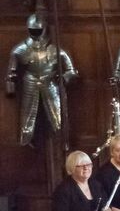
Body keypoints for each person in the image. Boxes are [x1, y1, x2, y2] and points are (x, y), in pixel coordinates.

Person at [6, 13, 77, 146]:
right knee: (27, 117)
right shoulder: (20, 50)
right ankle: (26, 141)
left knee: (58, 118)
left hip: (50, 83)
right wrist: (10, 88)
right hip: (30, 82)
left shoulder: (55, 51)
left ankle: (62, 142)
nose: (36, 33)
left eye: (38, 30)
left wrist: (64, 78)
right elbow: (11, 73)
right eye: (33, 30)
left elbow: (71, 70)